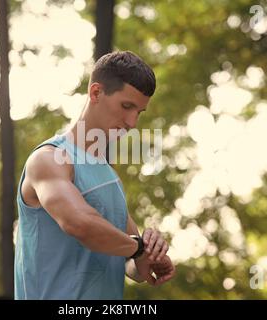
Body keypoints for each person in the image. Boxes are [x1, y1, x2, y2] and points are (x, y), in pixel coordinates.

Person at [14, 51, 175, 300]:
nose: (132, 122)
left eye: (139, 112)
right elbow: (80, 223)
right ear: (96, 93)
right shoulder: (49, 159)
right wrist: (138, 247)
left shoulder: (109, 176)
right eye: (127, 106)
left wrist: (152, 255)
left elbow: (133, 268)